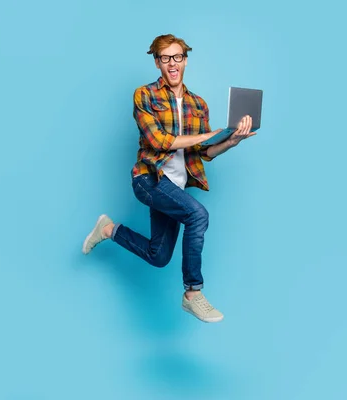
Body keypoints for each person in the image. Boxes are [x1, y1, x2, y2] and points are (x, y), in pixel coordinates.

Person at [82, 34, 255, 323]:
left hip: (174, 187)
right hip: (148, 180)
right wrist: (210, 135)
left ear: (185, 60)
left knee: (159, 256)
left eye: (177, 57)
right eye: (165, 58)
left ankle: (109, 229)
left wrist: (230, 142)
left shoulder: (198, 104)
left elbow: (204, 151)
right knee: (198, 215)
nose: (172, 63)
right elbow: (158, 140)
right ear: (157, 62)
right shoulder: (144, 95)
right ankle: (192, 293)